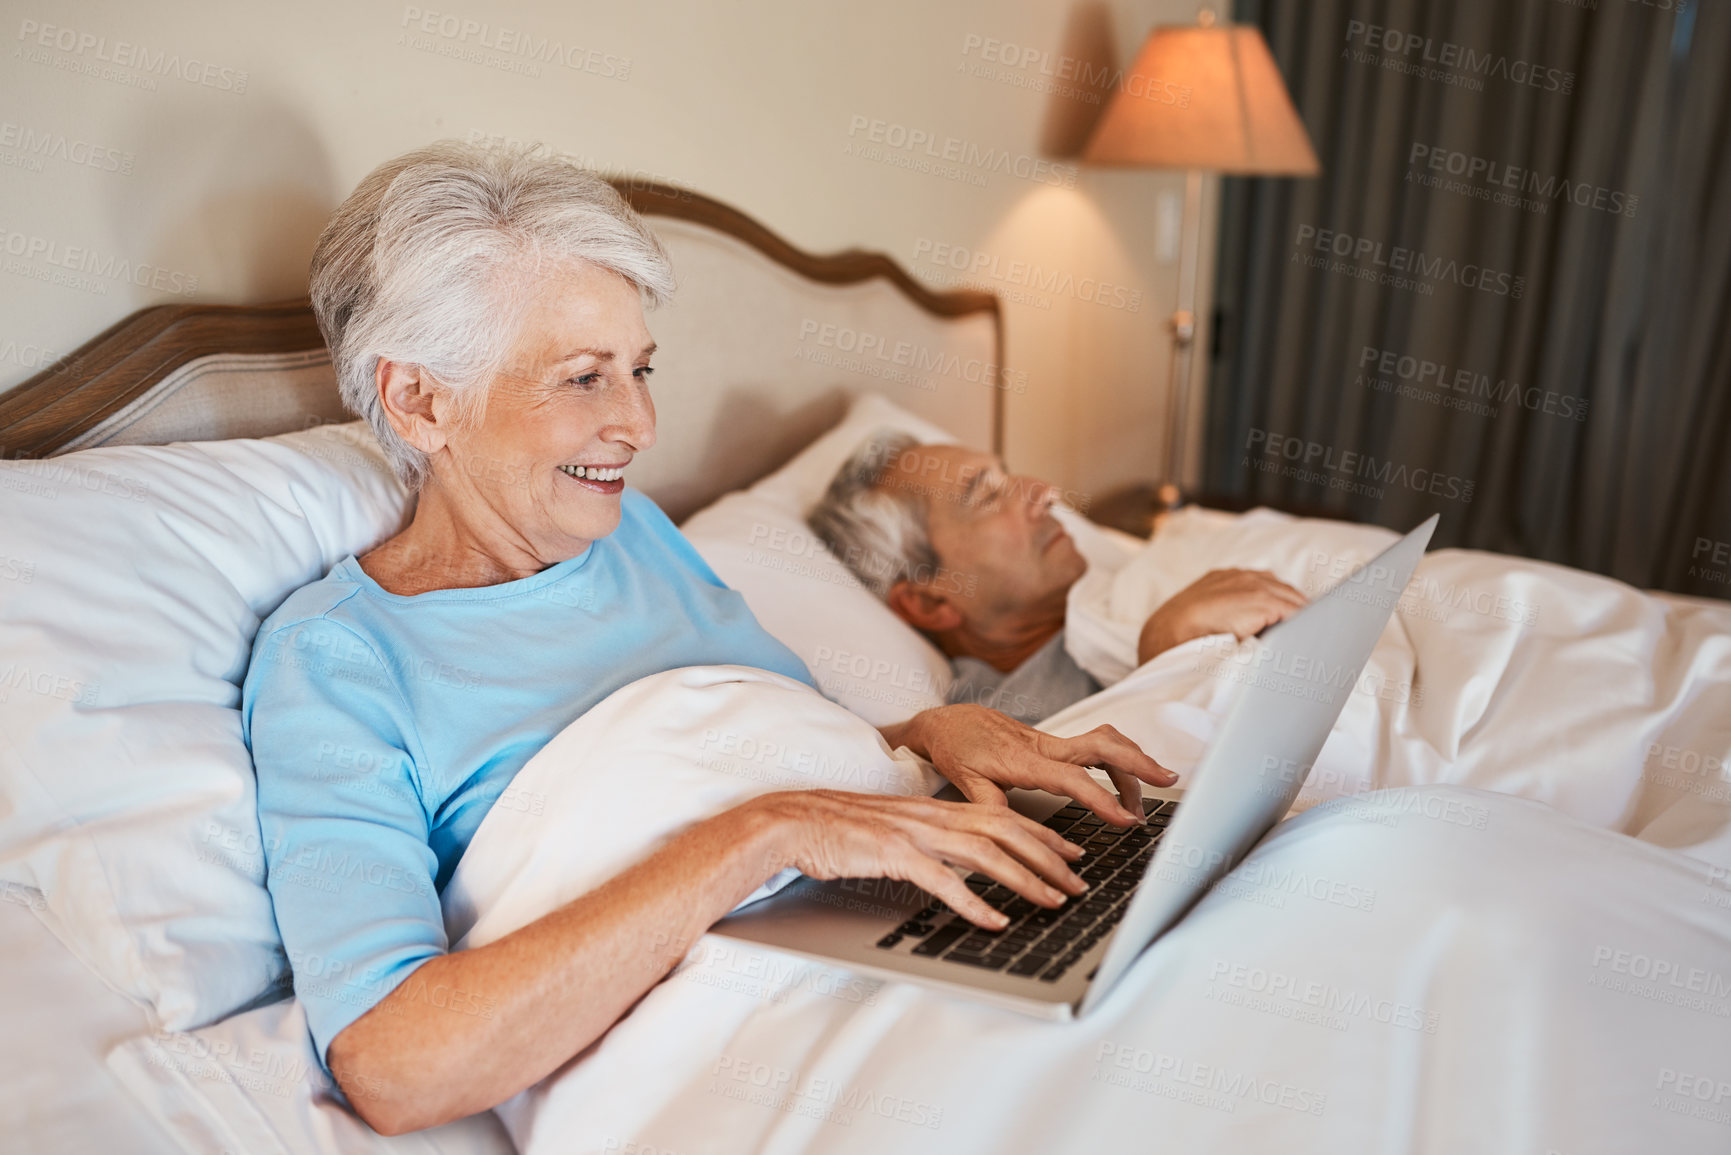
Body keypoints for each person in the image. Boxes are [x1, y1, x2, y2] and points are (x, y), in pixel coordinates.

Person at [241, 141, 1175, 1136]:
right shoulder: (338, 661)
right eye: (584, 379)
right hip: (745, 1040)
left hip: (904, 921)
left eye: (639, 369)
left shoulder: (632, 531)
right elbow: (392, 1069)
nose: (640, 423)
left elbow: (776, 741)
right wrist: (763, 832)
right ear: (421, 400)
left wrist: (929, 731)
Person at [809, 432, 1309, 724]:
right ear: (928, 602)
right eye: (986, 496)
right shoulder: (1016, 727)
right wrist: (1169, 660)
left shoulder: (1118, 588)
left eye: (1007, 475)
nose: (1045, 492)